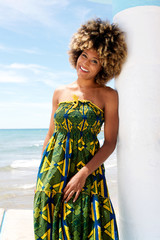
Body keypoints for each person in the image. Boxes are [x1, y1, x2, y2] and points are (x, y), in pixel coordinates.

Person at [33, 18, 127, 240]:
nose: (85, 63)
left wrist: (84, 173)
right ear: (77, 53)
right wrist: (43, 173)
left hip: (87, 172)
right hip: (52, 170)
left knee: (87, 224)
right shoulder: (59, 92)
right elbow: (51, 133)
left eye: (95, 60)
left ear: (104, 66)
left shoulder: (109, 95)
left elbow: (110, 141)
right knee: (51, 227)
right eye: (84, 55)